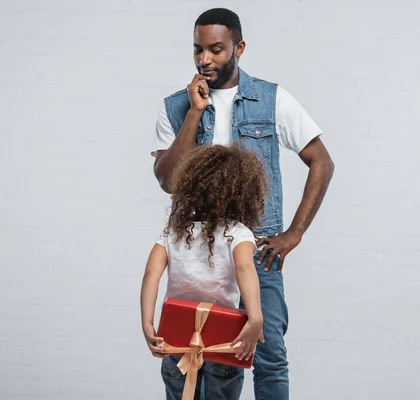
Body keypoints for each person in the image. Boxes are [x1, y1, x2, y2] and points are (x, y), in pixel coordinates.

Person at [151, 8, 335, 399]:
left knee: (268, 354)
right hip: (197, 248)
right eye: (198, 50)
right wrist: (194, 113)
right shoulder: (174, 106)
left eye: (216, 49)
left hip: (258, 248)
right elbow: (168, 180)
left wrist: (293, 234)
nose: (205, 59)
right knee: (198, 353)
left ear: (239, 47)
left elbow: (322, 161)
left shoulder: (271, 100)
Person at [141, 145, 267, 399]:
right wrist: (255, 319)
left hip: (177, 338)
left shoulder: (172, 233)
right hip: (225, 340)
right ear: (242, 194)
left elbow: (151, 274)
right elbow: (244, 268)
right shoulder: (238, 233)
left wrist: (147, 323)